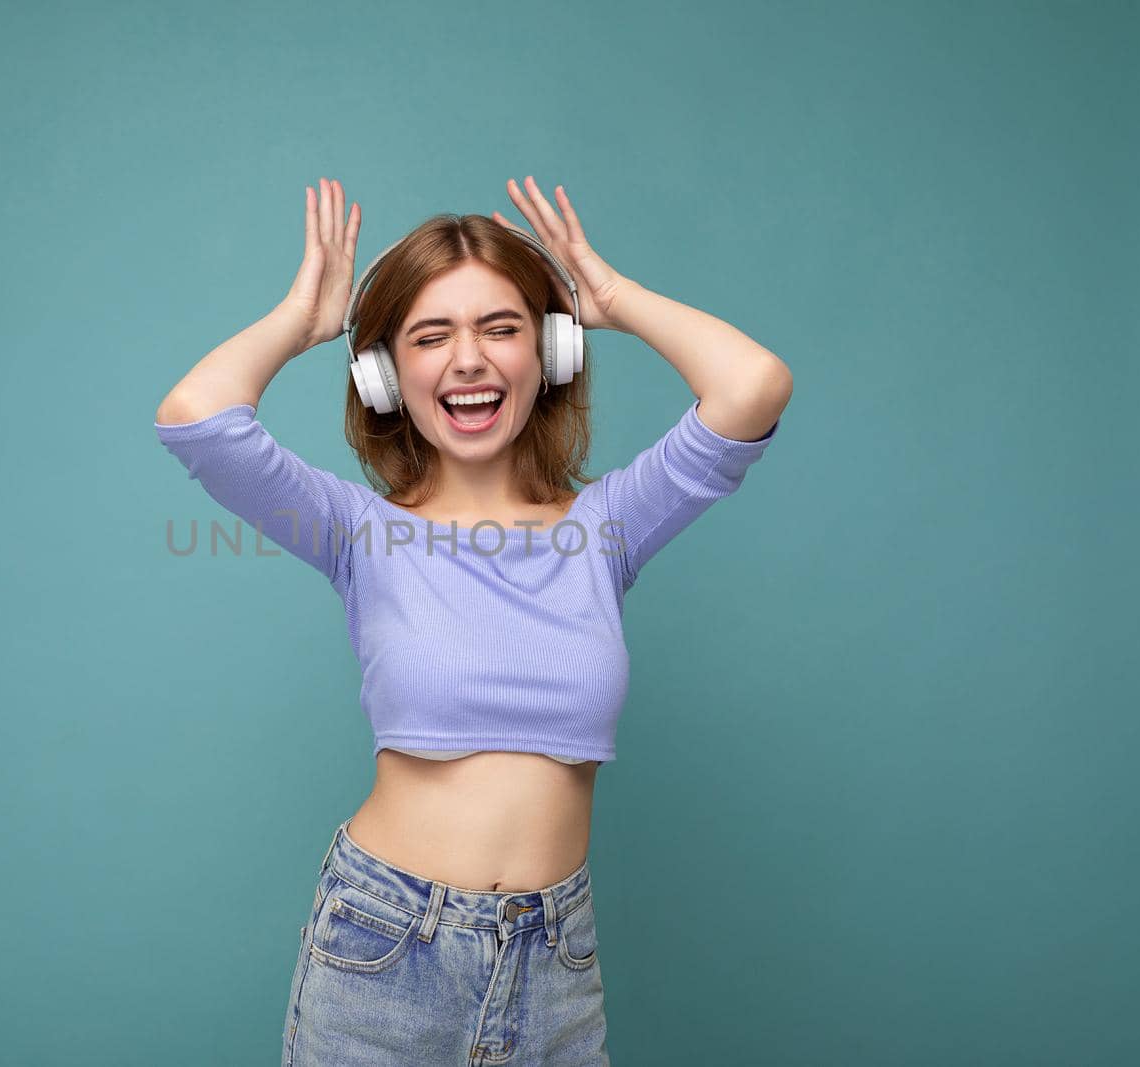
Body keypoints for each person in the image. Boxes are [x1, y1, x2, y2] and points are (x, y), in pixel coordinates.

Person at [155, 176, 792, 1066]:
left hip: (556, 958)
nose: (469, 360)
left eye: (501, 328)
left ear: (551, 353)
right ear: (385, 374)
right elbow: (197, 417)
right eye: (430, 336)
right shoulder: (356, 530)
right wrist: (303, 322)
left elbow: (753, 384)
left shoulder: (610, 526)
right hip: (384, 948)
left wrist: (610, 300)